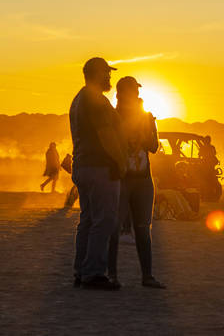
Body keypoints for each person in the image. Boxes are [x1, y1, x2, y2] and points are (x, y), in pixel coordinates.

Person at [69, 57, 127, 290]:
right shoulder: (95, 100)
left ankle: (81, 270)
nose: (109, 77)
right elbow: (106, 135)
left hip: (84, 165)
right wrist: (121, 161)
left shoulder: (79, 99)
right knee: (104, 220)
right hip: (99, 167)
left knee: (89, 220)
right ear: (96, 73)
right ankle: (93, 272)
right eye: (106, 73)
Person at [107, 76, 166, 289]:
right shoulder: (112, 117)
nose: (136, 95)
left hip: (142, 179)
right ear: (121, 94)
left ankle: (147, 276)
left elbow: (153, 146)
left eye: (136, 91)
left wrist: (146, 129)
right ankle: (111, 275)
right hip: (121, 179)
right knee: (113, 228)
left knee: (143, 228)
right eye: (132, 91)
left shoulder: (146, 117)